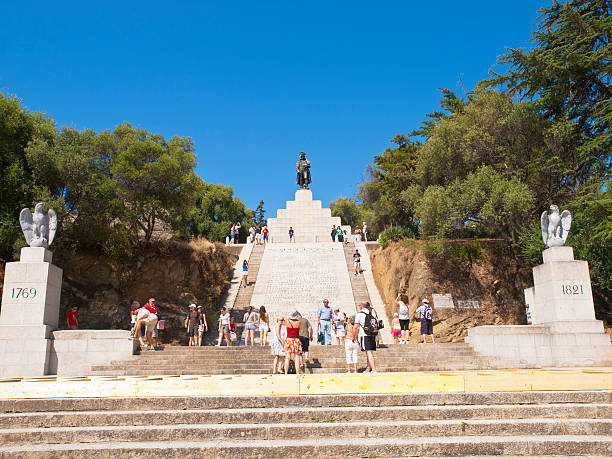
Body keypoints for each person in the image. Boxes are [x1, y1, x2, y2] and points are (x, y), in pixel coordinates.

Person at [353, 301, 377, 372]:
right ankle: (368, 368)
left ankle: (374, 369)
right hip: (372, 334)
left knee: (369, 353)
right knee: (369, 352)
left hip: (365, 335)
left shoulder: (359, 314)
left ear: (361, 306)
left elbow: (356, 327)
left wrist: (354, 336)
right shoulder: (372, 313)